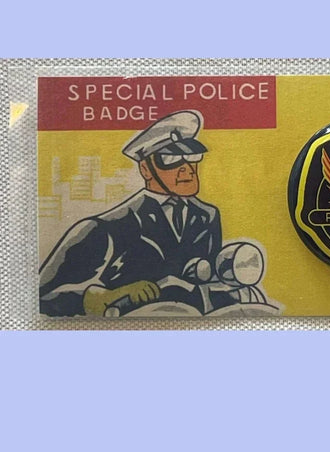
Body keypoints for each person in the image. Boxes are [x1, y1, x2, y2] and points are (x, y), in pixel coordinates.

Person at [40, 110, 236, 317]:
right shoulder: (108, 227)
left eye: (192, 156)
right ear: (145, 169)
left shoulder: (208, 216)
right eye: (171, 159)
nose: (187, 169)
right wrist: (109, 295)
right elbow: (44, 297)